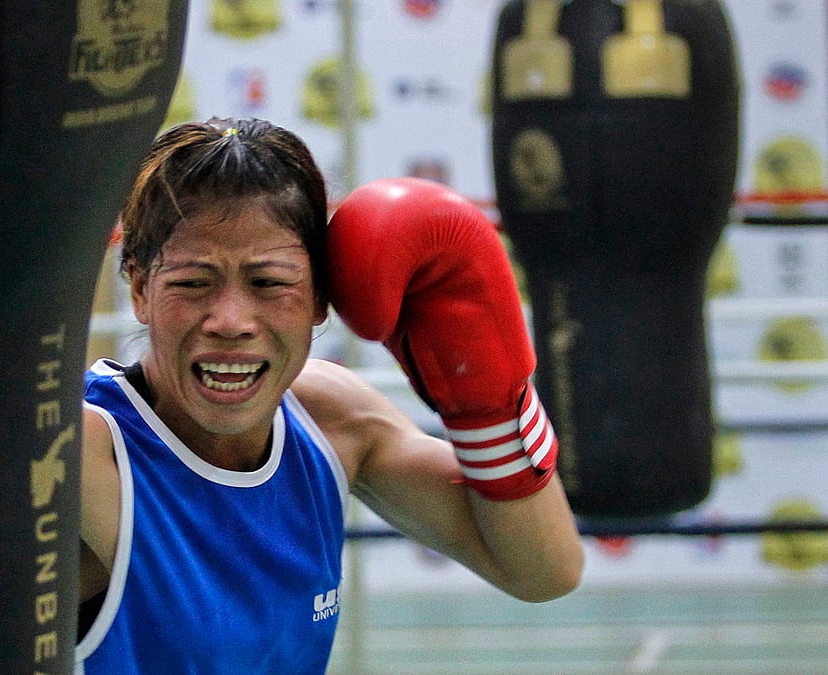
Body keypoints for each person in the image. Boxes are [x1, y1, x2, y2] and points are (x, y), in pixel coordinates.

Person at [75, 117, 584, 674]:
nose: (231, 321)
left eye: (268, 282)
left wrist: (487, 402)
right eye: (193, 283)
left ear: (321, 297)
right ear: (141, 288)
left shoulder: (329, 419)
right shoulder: (87, 448)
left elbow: (543, 571)